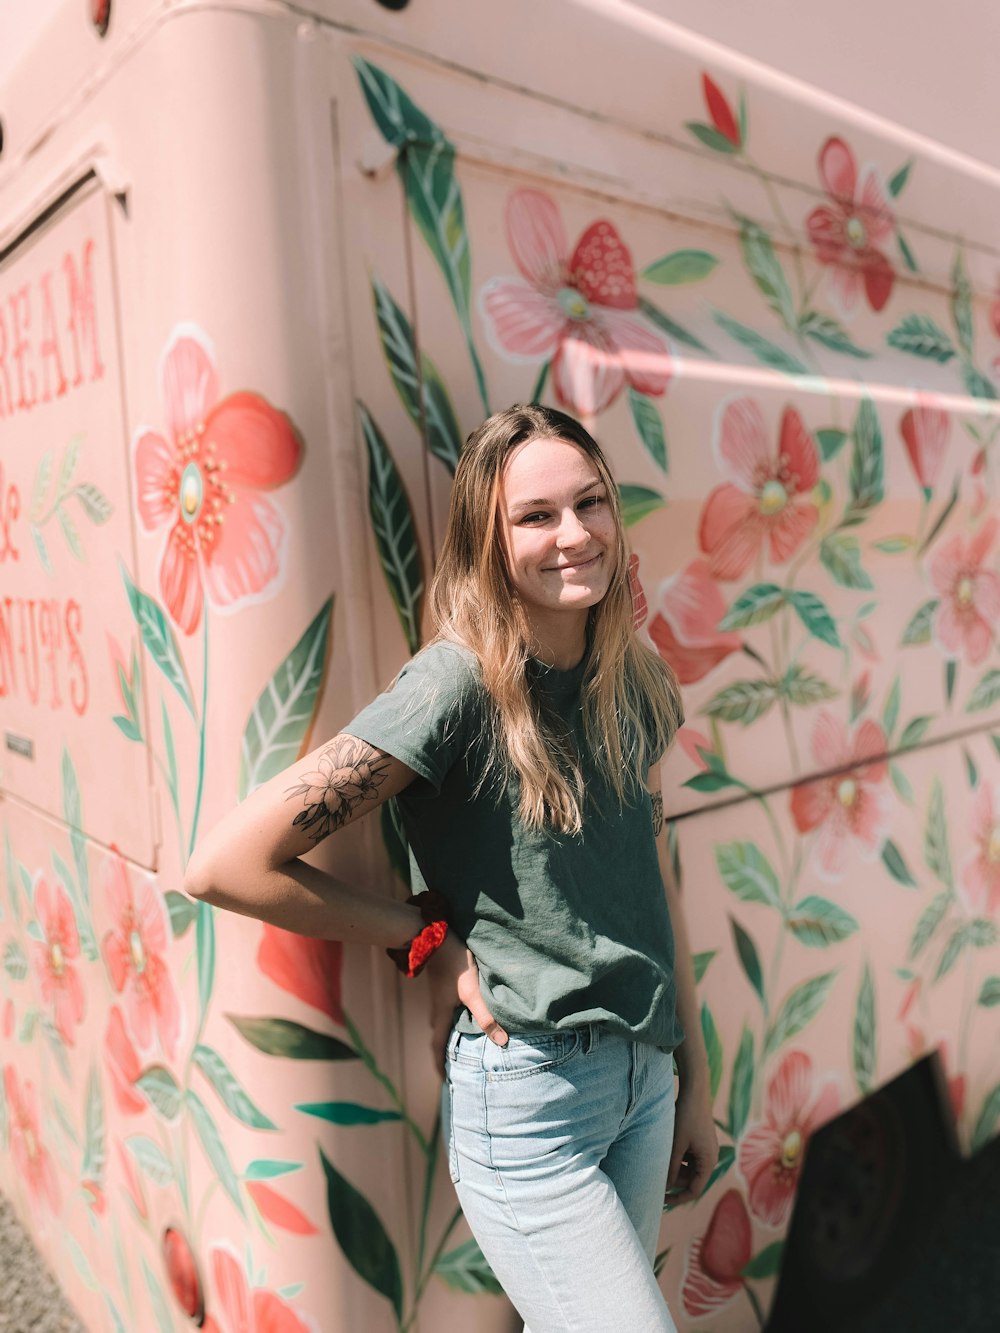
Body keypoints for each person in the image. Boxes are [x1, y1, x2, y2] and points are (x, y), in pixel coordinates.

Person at [185, 403, 717, 1332]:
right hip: (532, 1105)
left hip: (646, 1081)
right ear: (487, 537)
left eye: (591, 503)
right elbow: (226, 865)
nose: (575, 533)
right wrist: (427, 939)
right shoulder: (454, 685)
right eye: (536, 515)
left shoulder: (635, 675)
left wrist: (695, 1081)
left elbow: (654, 885)